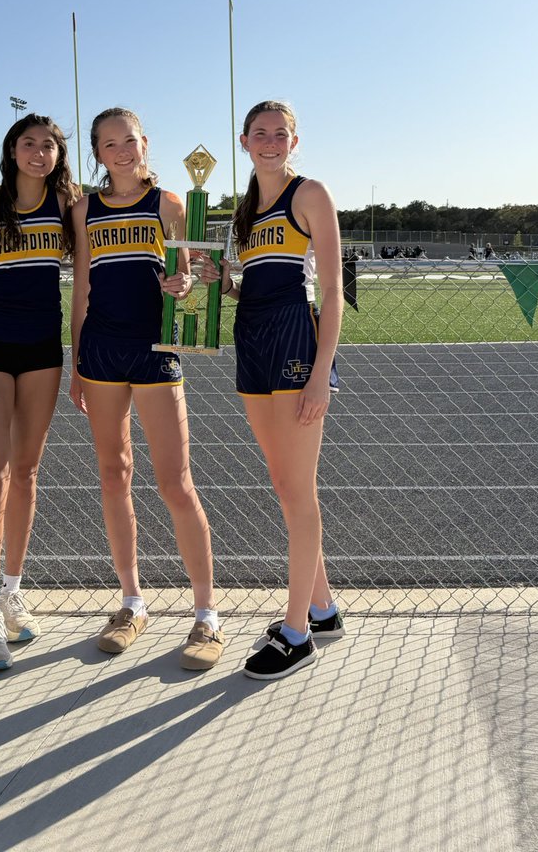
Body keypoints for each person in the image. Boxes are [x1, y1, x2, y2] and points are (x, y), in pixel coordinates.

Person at [69, 106, 225, 671]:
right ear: (98, 152)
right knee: (114, 475)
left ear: (144, 143)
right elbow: (81, 288)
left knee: (175, 483)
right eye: (110, 143)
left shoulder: (170, 204)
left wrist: (183, 284)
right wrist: (75, 362)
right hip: (102, 353)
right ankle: (132, 603)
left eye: (129, 140)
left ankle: (207, 616)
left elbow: (193, 277)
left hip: (156, 352)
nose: (122, 150)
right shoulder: (84, 209)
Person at [199, 100, 343, 681]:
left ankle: (296, 633)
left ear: (294, 140)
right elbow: (250, 288)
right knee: (283, 481)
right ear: (243, 141)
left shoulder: (310, 195)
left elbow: (330, 291)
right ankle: (323, 609)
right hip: (251, 340)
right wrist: (221, 281)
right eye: (259, 133)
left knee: (296, 489)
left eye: (279, 133)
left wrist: (320, 374)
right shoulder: (245, 211)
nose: (269, 141)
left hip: (293, 342)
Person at [0, 113, 79, 671]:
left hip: (42, 353)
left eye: (47, 145)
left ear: (57, 154)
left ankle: (10, 589)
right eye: (28, 143)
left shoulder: (69, 205)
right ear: (10, 151)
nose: (38, 152)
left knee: (27, 471)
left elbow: (104, 263)